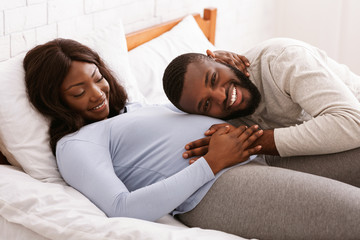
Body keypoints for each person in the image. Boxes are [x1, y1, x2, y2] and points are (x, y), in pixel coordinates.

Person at [23, 38, 360, 240]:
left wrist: (230, 63)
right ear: (54, 100)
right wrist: (212, 163)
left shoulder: (137, 108)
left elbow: (208, 86)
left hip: (256, 150)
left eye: (97, 79)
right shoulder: (76, 145)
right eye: (78, 91)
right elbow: (120, 208)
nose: (97, 94)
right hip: (216, 186)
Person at [162, 37, 360, 186]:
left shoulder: (281, 60)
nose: (221, 96)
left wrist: (251, 141)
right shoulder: (217, 119)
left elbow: (353, 123)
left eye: (214, 78)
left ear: (220, 60)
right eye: (206, 104)